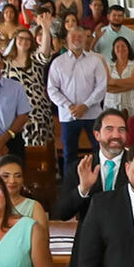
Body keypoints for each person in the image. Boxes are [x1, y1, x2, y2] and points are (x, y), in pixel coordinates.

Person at [46, 25, 107, 169]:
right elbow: (52, 89)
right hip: (69, 115)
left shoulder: (95, 61)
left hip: (92, 114)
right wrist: (69, 106)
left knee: (99, 152)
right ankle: (70, 183)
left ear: (85, 39)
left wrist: (86, 105)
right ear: (67, 40)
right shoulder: (58, 62)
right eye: (73, 36)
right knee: (69, 154)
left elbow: (101, 86)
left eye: (80, 36)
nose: (77, 39)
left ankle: (99, 181)